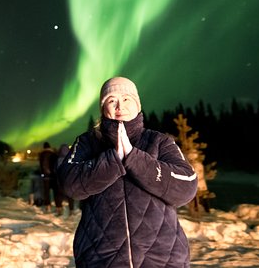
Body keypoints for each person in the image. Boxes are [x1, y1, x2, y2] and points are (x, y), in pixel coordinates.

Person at [56, 76, 198, 267]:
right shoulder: (86, 142)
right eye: (111, 100)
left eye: (126, 99)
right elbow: (69, 183)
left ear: (137, 105)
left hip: (163, 259)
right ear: (102, 108)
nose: (119, 106)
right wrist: (111, 160)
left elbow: (187, 186)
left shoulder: (159, 141)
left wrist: (135, 159)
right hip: (101, 259)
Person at [54, 143, 75, 216]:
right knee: (70, 196)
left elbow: (55, 170)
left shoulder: (58, 159)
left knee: (58, 195)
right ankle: (71, 211)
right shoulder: (71, 159)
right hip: (69, 180)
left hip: (60, 180)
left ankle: (59, 210)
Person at [38, 141, 58, 213]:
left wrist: (42, 173)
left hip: (45, 176)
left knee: (46, 192)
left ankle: (48, 206)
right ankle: (58, 206)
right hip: (53, 176)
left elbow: (41, 166)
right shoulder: (53, 154)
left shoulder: (42, 154)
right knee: (55, 192)